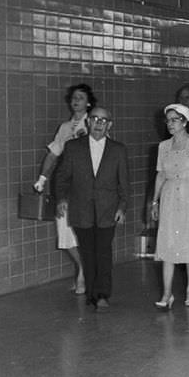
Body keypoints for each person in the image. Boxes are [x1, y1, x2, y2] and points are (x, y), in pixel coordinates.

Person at [53, 106, 128, 310]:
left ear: (109, 125)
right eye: (94, 119)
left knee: (103, 252)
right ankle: (92, 293)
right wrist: (61, 199)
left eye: (103, 121)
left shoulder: (118, 150)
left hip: (108, 210)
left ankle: (102, 294)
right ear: (88, 122)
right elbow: (62, 177)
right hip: (81, 209)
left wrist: (122, 207)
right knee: (87, 253)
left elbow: (124, 184)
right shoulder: (73, 147)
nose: (98, 124)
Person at [149, 104, 189, 309]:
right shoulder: (163, 147)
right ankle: (167, 294)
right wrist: (154, 201)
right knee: (167, 243)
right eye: (168, 120)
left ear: (185, 122)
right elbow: (160, 175)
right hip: (169, 195)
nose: (170, 124)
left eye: (174, 120)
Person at [32, 82, 95, 295]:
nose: (76, 101)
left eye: (81, 97)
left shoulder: (95, 124)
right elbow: (53, 154)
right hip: (66, 186)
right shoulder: (65, 128)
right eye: (74, 97)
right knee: (65, 234)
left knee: (85, 232)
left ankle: (84, 274)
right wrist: (42, 178)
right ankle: (84, 268)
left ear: (88, 103)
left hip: (87, 188)